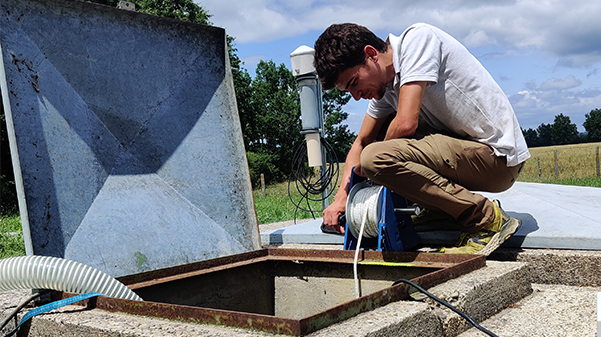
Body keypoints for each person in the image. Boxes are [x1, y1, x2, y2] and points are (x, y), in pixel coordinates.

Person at [314, 22, 530, 255]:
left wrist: (373, 167)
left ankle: (486, 220)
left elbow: (407, 123)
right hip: (468, 156)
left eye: (355, 83)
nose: (356, 96)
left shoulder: (417, 41)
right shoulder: (386, 89)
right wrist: (341, 199)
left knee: (377, 156)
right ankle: (441, 212)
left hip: (497, 158)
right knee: (377, 141)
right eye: (348, 91)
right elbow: (361, 142)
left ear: (371, 54)